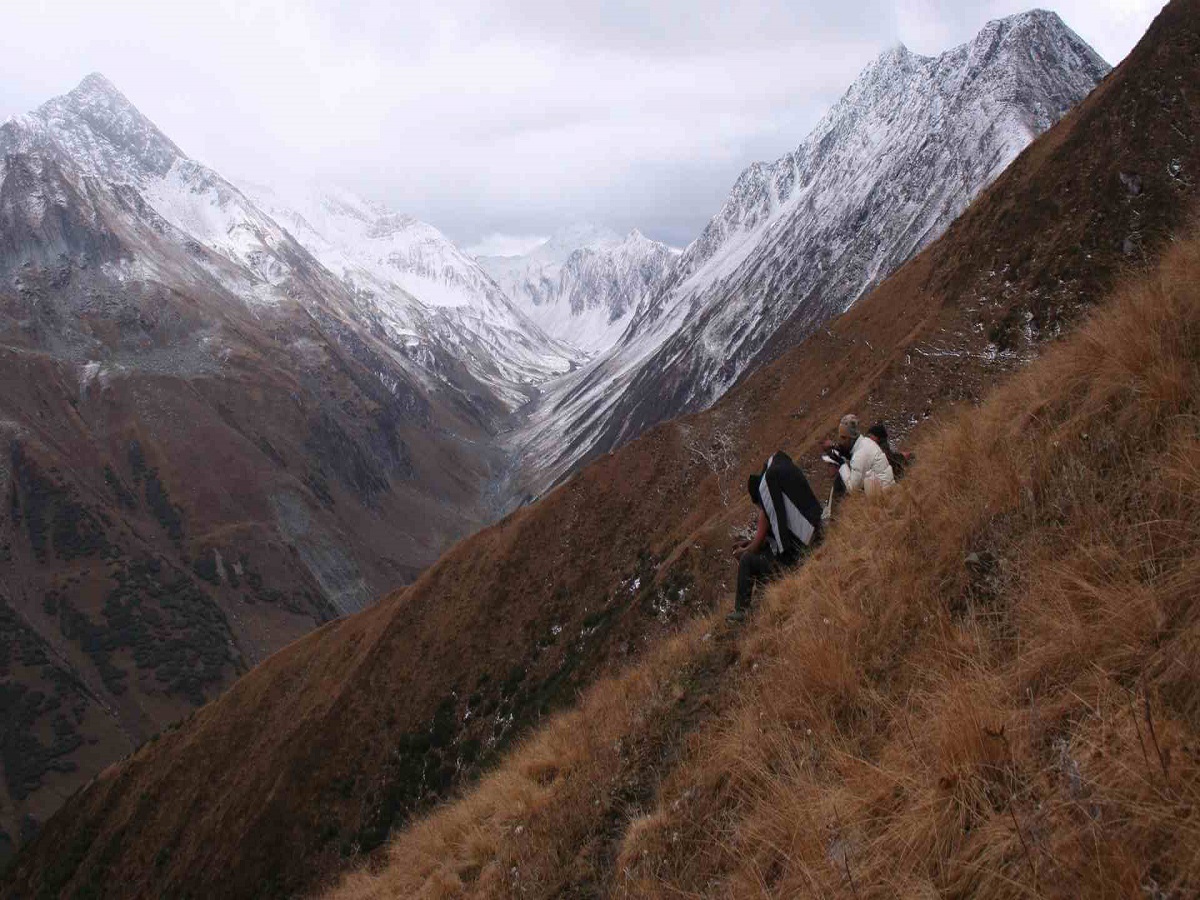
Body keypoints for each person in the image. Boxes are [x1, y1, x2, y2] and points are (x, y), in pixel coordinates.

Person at [728, 451, 824, 622]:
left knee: (748, 561)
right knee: (761, 558)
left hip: (791, 561)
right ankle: (763, 599)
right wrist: (749, 543)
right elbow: (765, 539)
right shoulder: (781, 494)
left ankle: (741, 611)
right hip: (807, 543)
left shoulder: (766, 510)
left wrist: (742, 552)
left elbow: (756, 546)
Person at [836, 414, 894, 495]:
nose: (841, 442)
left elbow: (852, 489)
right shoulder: (866, 442)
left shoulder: (860, 454)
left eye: (844, 438)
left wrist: (842, 464)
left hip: (883, 497)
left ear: (852, 437)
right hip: (888, 490)